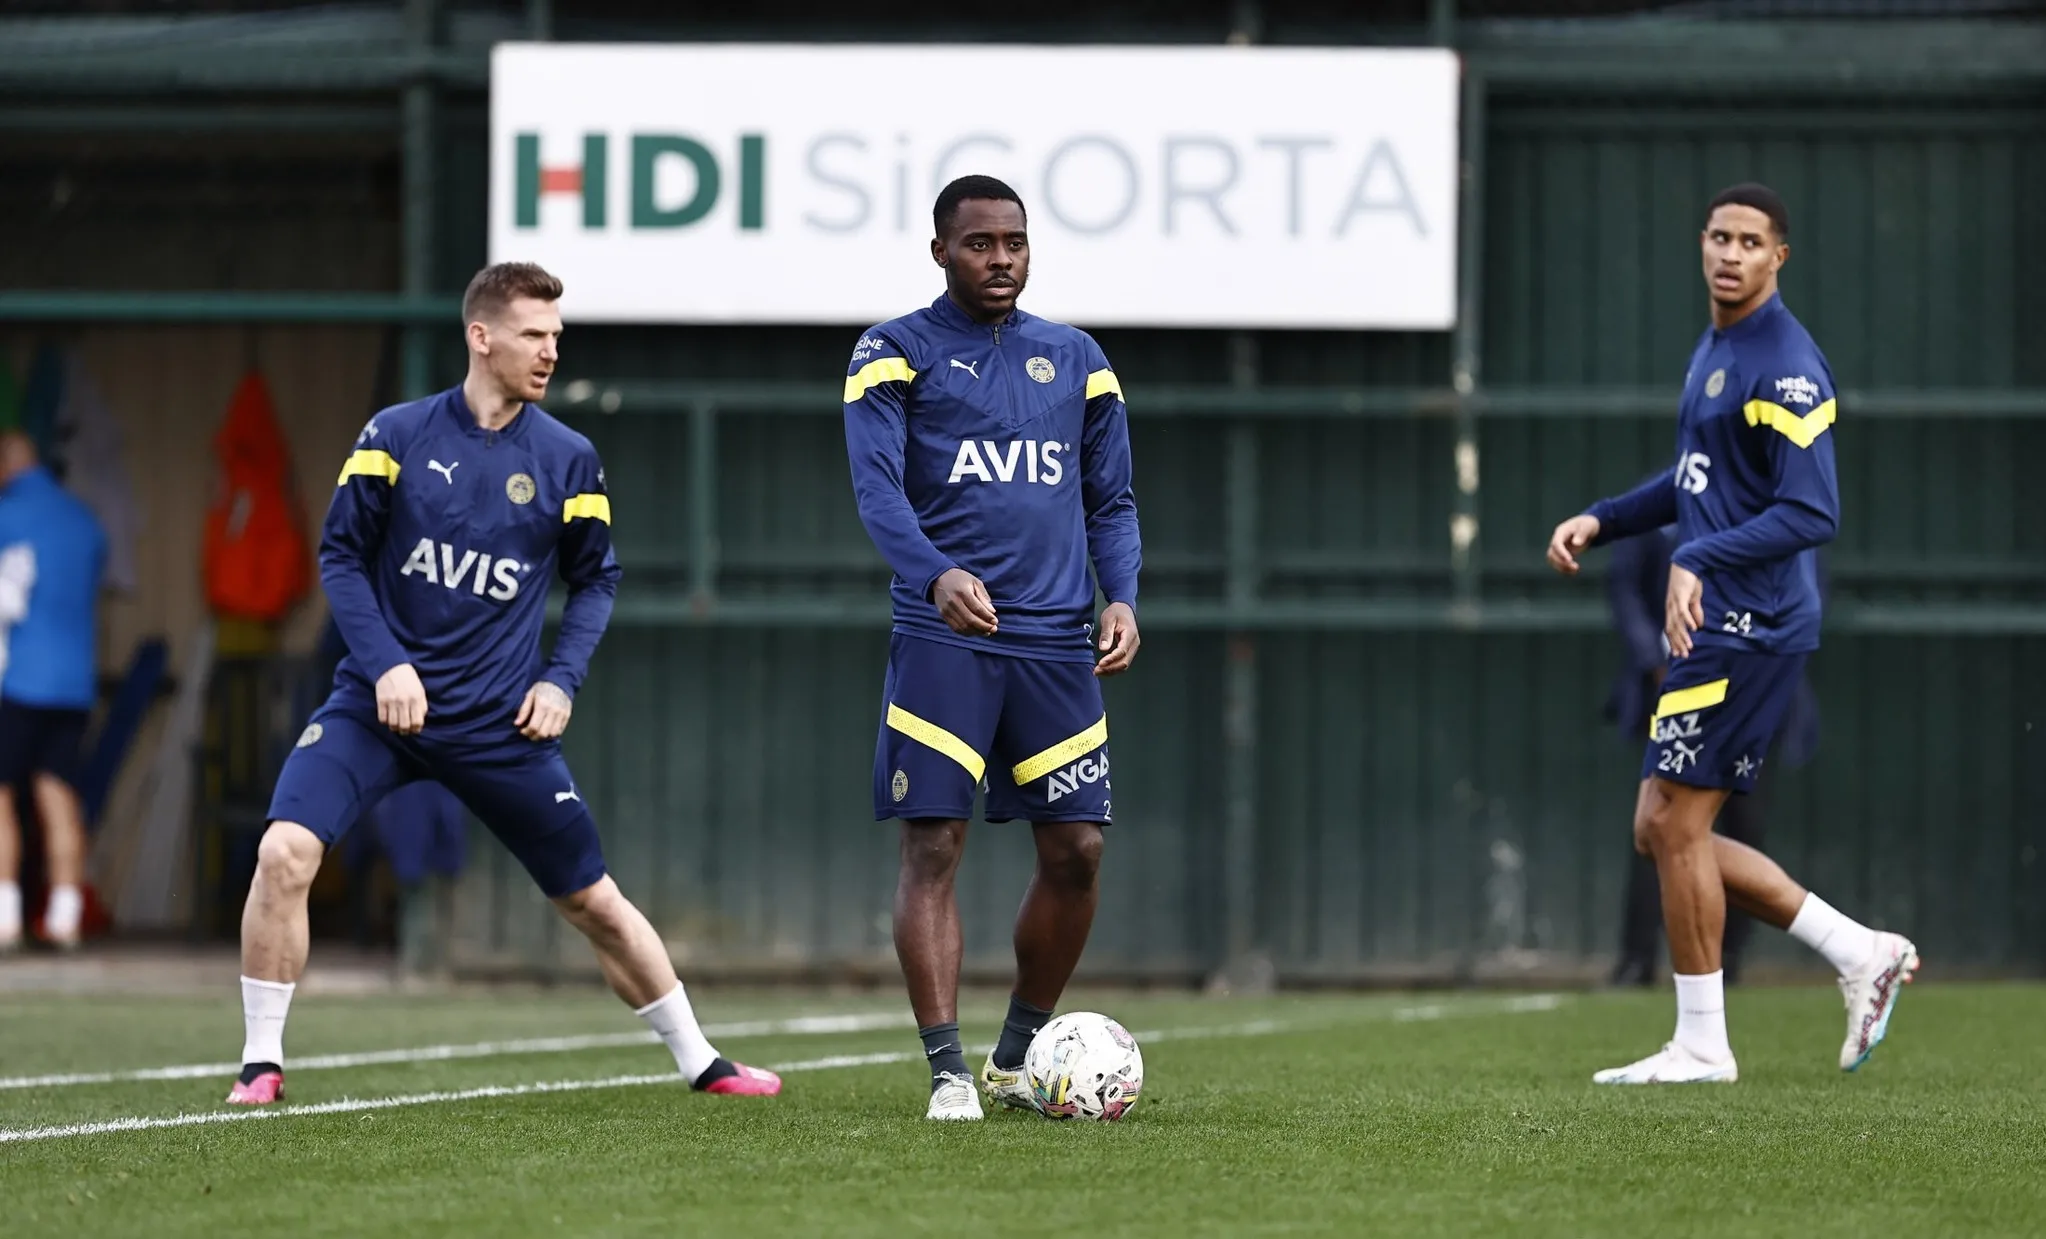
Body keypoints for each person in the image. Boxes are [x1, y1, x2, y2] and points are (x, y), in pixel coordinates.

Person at [227, 262, 781, 1104]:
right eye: (534, 334)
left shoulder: (569, 458)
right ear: (481, 337)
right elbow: (339, 556)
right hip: (377, 709)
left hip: (498, 723)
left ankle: (703, 1060)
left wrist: (561, 680)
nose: (551, 351)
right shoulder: (394, 435)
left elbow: (597, 579)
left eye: (557, 336)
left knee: (593, 901)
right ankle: (260, 1063)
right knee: (283, 851)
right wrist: (387, 664)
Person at [1546, 183, 1917, 1084]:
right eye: (1719, 236)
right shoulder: (1717, 346)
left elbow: (1813, 511)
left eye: (1751, 242)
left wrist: (1700, 555)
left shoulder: (1785, 363)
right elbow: (1696, 476)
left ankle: (1706, 1043)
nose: (1730, 253)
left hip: (1754, 625)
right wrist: (1605, 518)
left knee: (1675, 823)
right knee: (1662, 826)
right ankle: (1856, 949)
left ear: (1778, 257)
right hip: (1719, 623)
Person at [843, 175, 1143, 1120]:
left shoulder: (1078, 358)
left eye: (1014, 242)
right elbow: (877, 490)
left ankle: (1014, 1061)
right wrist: (935, 573)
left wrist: (1122, 596)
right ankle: (947, 1071)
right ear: (940, 251)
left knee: (1079, 851)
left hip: (1057, 646)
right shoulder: (893, 351)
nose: (1001, 258)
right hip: (947, 639)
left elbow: (1111, 500)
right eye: (979, 243)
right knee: (934, 843)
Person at [1603, 524, 1821, 988]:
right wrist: (1657, 658)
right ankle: (1640, 959)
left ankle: (1738, 960)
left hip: (1750, 692)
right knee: (1657, 826)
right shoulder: (1676, 500)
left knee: (1721, 825)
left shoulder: (1781, 508)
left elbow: (1803, 591)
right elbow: (1625, 581)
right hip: (1681, 689)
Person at [0, 430, 108, 951]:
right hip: (74, 683)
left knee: (1, 795)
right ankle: (65, 916)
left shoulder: (7, 515)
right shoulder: (84, 521)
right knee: (58, 795)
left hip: (18, 678)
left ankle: (5, 917)